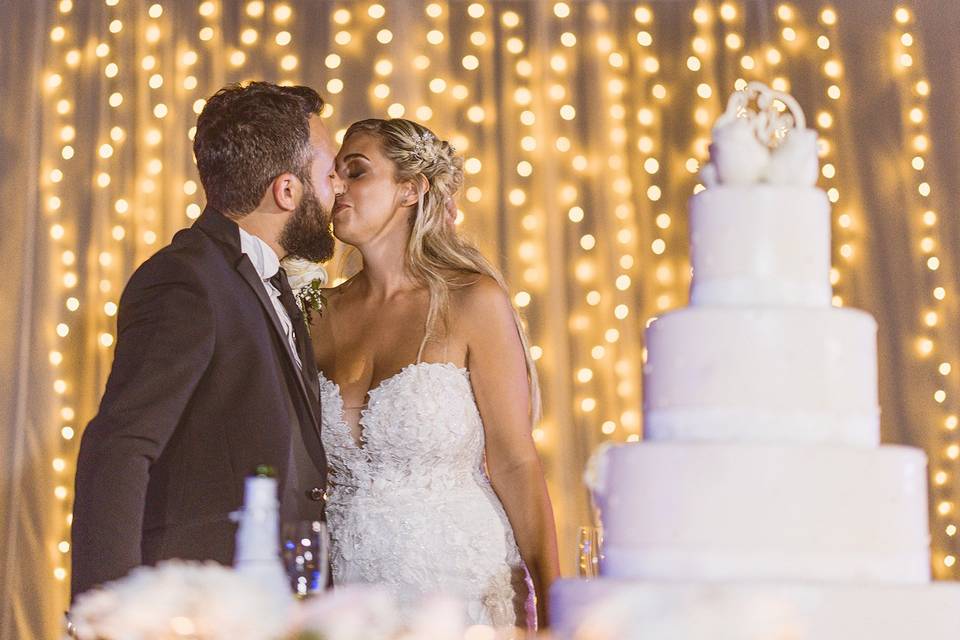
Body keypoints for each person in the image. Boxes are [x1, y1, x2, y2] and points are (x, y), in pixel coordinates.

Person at [70, 82, 342, 599]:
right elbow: (121, 445)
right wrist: (107, 612)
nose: (337, 191)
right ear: (287, 190)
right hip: (206, 599)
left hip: (276, 600)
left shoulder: (276, 283)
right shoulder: (186, 278)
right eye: (328, 175)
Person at [311, 118, 561, 630]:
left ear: (411, 188)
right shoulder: (316, 313)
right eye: (334, 174)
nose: (337, 186)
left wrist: (556, 600)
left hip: (461, 585)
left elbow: (515, 461)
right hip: (352, 595)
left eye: (356, 172)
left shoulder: (472, 300)